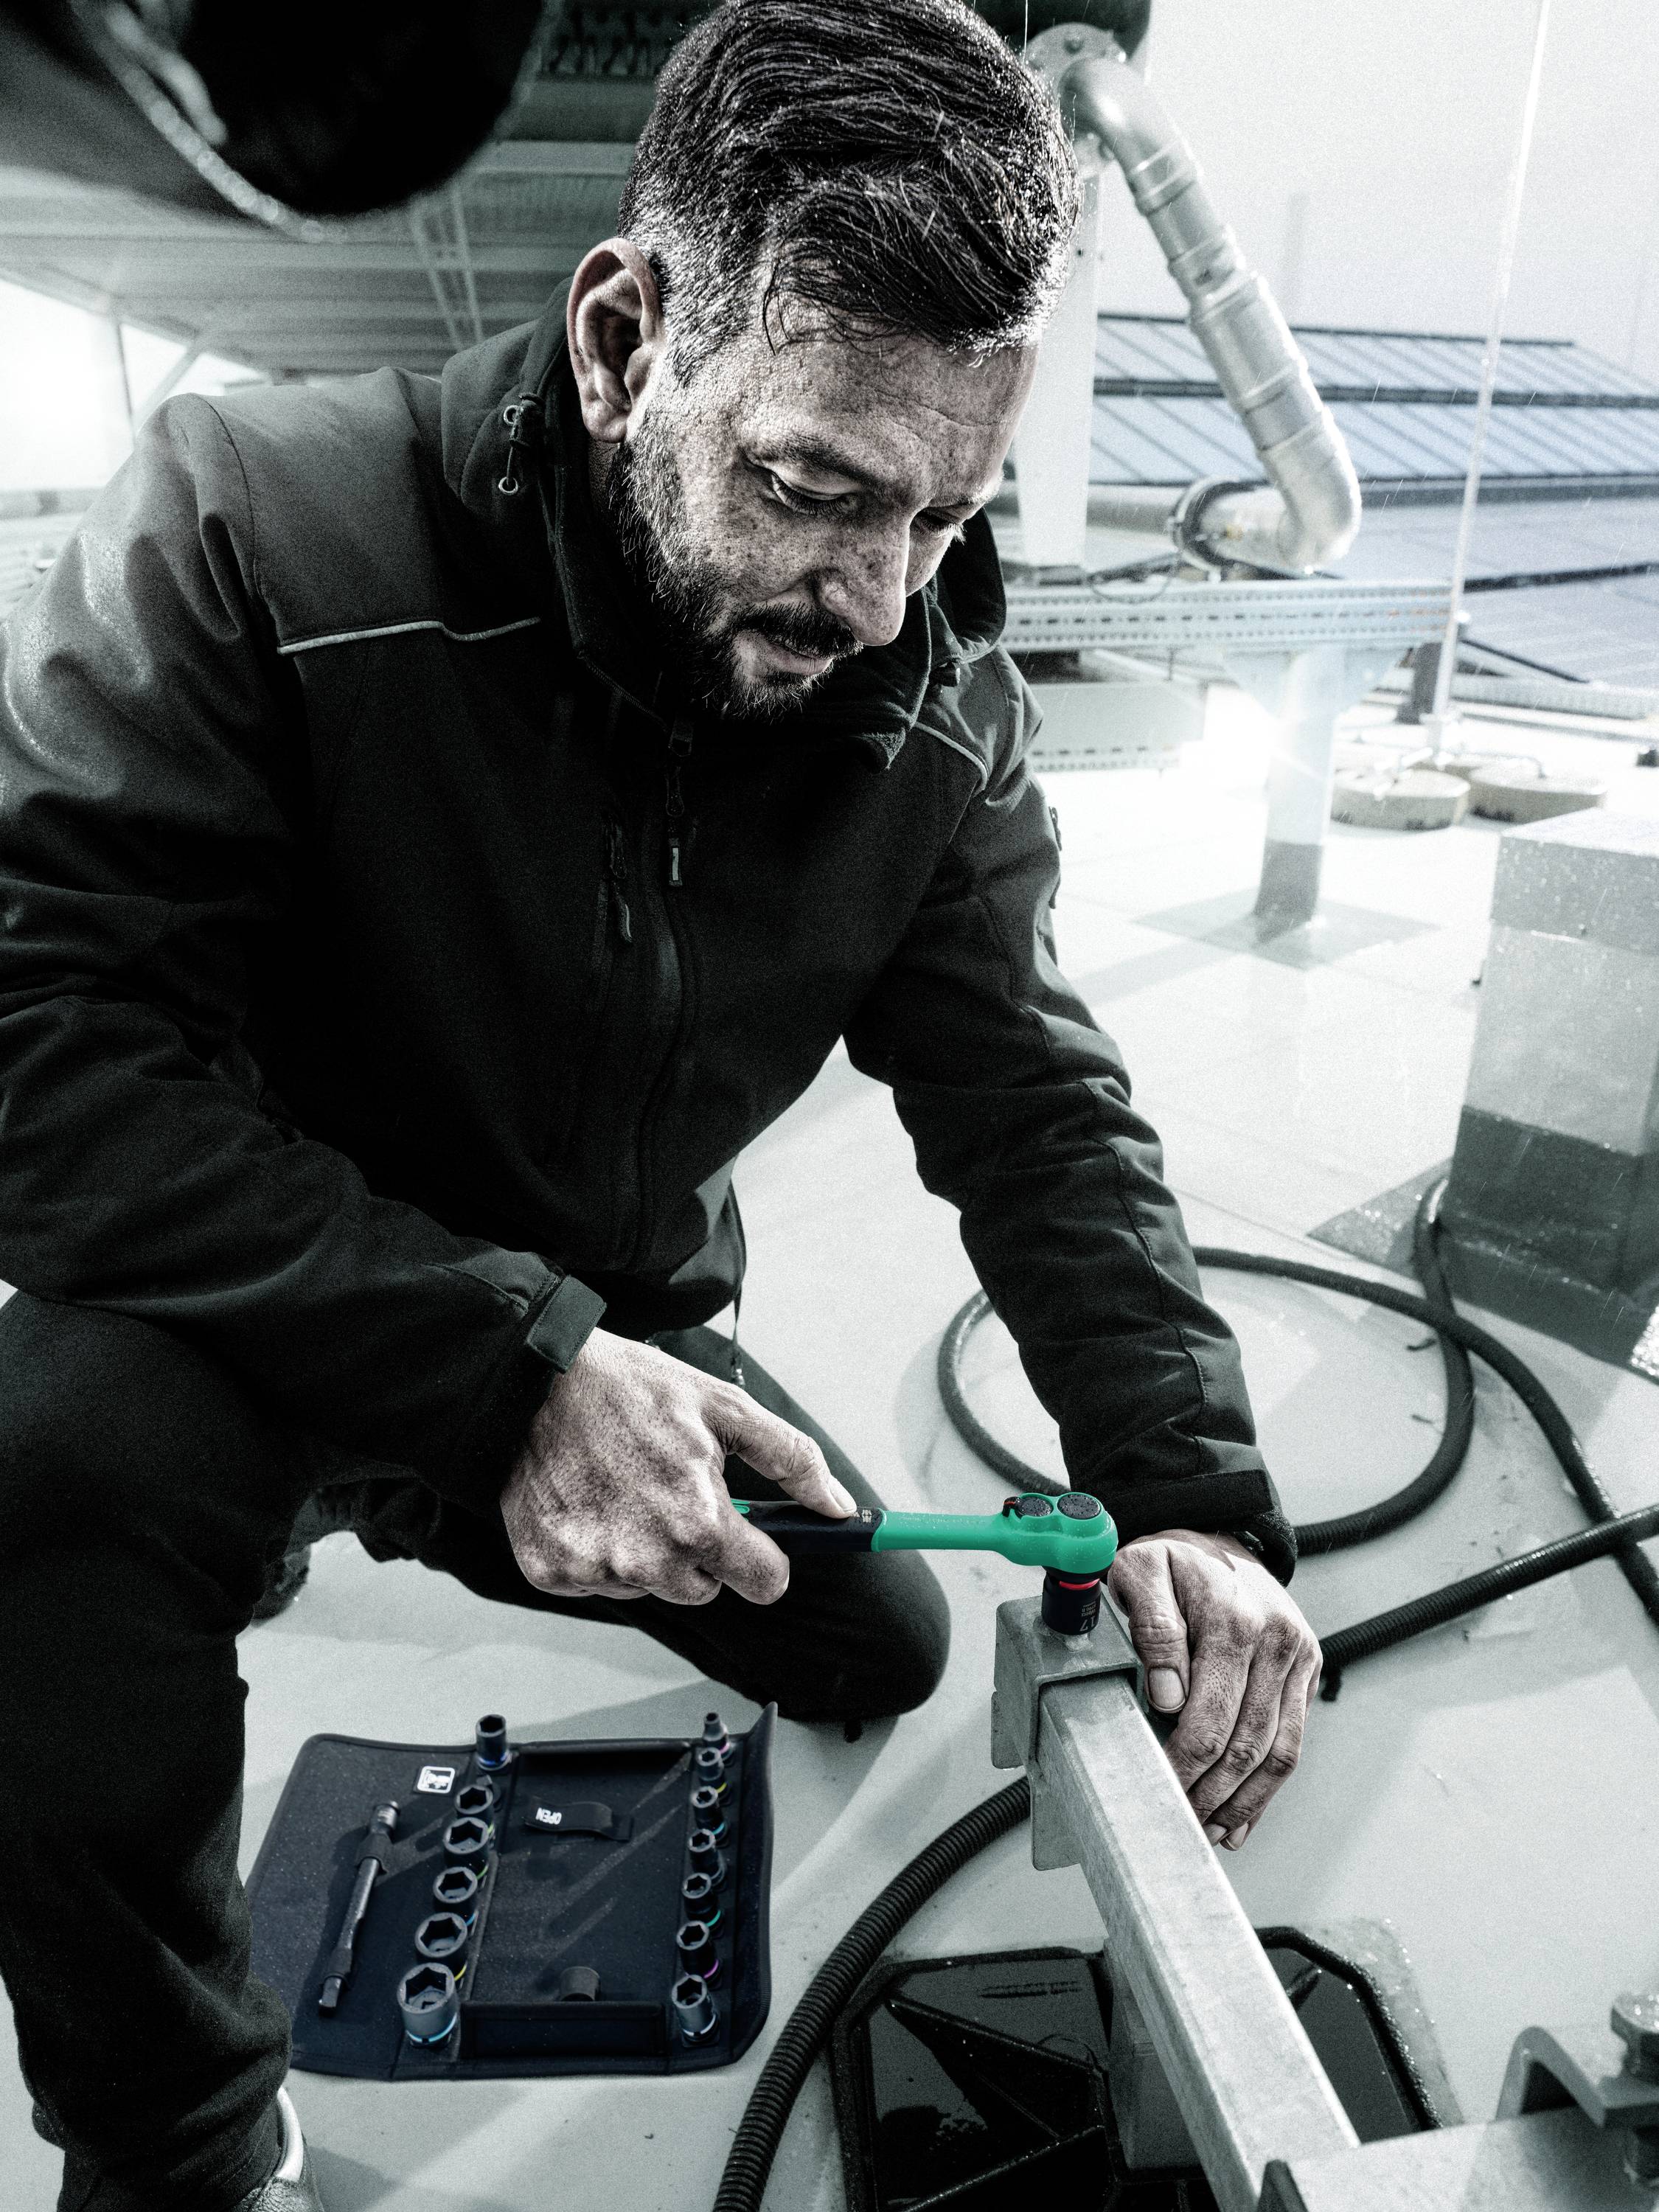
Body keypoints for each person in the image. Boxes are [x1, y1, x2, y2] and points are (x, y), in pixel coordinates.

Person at [0, 1, 1321, 2204]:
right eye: (810, 488)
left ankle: (457, 1488)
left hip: (610, 1336)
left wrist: (1192, 1501)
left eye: (940, 512)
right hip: (256, 1316)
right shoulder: (251, 524)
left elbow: (1036, 1116)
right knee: (40, 1476)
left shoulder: (926, 705)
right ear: (626, 335)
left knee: (877, 1650)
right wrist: (497, 1374)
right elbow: (41, 1062)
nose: (868, 597)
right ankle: (179, 2145)